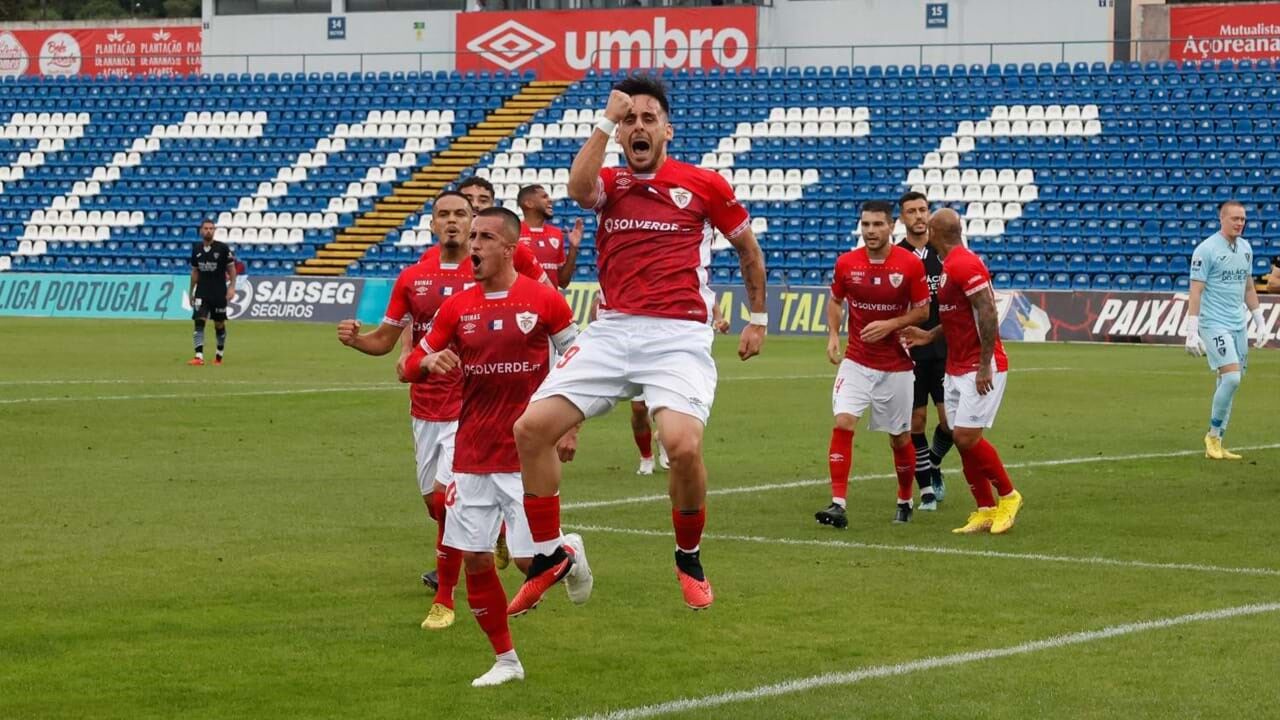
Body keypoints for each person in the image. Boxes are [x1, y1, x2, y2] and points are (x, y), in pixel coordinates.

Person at [509, 75, 768, 613]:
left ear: (668, 129)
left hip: (677, 337)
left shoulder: (703, 184)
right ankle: (551, 554)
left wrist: (758, 317)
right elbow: (578, 190)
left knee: (684, 446)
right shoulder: (609, 183)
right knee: (530, 430)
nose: (639, 127)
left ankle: (688, 557)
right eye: (630, 120)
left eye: (648, 118)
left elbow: (747, 248)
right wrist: (605, 120)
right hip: (612, 329)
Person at [398, 207, 593, 687]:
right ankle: (506, 660)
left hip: (525, 456)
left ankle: (568, 550)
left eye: (484, 237)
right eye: (472, 237)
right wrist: (427, 363)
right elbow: (408, 364)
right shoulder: (457, 307)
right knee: (477, 558)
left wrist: (571, 424)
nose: (474, 245)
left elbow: (580, 361)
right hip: (471, 456)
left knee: (530, 564)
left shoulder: (543, 300)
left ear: (509, 247)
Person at [336, 191, 548, 629]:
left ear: (473, 223)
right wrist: (357, 340)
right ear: (431, 224)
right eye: (443, 215)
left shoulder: (496, 270)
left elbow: (542, 305)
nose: (452, 222)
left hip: (473, 409)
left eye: (460, 215)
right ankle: (501, 531)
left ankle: (445, 598)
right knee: (435, 504)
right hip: (424, 409)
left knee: (446, 498)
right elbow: (387, 342)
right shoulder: (414, 278)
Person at [903, 209, 1024, 535]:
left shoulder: (964, 263)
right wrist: (930, 335)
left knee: (967, 437)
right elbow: (958, 315)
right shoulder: (949, 266)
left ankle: (1009, 496)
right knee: (961, 438)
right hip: (957, 365)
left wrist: (985, 364)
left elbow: (986, 309)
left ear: (934, 232)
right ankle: (984, 508)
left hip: (978, 366)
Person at [815, 201, 929, 528]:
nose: (870, 231)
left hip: (896, 365)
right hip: (857, 359)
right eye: (865, 224)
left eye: (878, 224)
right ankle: (838, 503)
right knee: (843, 421)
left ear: (891, 227)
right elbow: (836, 300)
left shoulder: (909, 265)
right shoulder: (847, 263)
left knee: (900, 438)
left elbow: (922, 311)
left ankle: (905, 498)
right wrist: (834, 334)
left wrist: (891, 324)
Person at [1183, 200, 1269, 460]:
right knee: (1232, 378)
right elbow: (1195, 290)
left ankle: (1217, 441)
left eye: (1243, 219)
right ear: (1222, 219)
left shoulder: (1245, 248)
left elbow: (1248, 287)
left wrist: (1259, 320)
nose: (1240, 223)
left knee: (1228, 383)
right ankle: (1211, 436)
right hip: (1213, 323)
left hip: (1237, 325)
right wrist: (1192, 329)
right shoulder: (1206, 249)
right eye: (1235, 218)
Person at [897, 191, 951, 509]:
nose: (918, 216)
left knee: (951, 423)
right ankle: (927, 488)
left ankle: (933, 461)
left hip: (944, 346)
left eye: (923, 210)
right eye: (911, 211)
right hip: (910, 352)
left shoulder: (944, 251)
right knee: (916, 422)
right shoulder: (896, 256)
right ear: (902, 218)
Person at [632, 304, 729, 475]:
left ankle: (664, 436)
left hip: (678, 351)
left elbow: (710, 298)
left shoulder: (688, 282)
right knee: (639, 409)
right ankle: (646, 457)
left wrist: (719, 319)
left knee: (681, 407)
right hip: (641, 345)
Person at [188, 219, 236, 366]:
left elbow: (231, 269)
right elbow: (195, 271)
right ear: (201, 231)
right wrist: (191, 291)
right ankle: (198, 356)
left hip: (218, 292)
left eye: (211, 228)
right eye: (206, 228)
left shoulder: (222, 249)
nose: (208, 231)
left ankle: (219, 355)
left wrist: (232, 287)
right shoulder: (196, 249)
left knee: (219, 324)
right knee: (199, 321)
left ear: (214, 231)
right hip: (202, 292)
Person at [517, 183, 584, 289]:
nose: (550, 200)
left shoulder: (556, 234)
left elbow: (563, 282)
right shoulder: (514, 233)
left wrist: (573, 248)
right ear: (529, 203)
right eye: (544, 197)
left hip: (549, 303)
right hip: (523, 302)